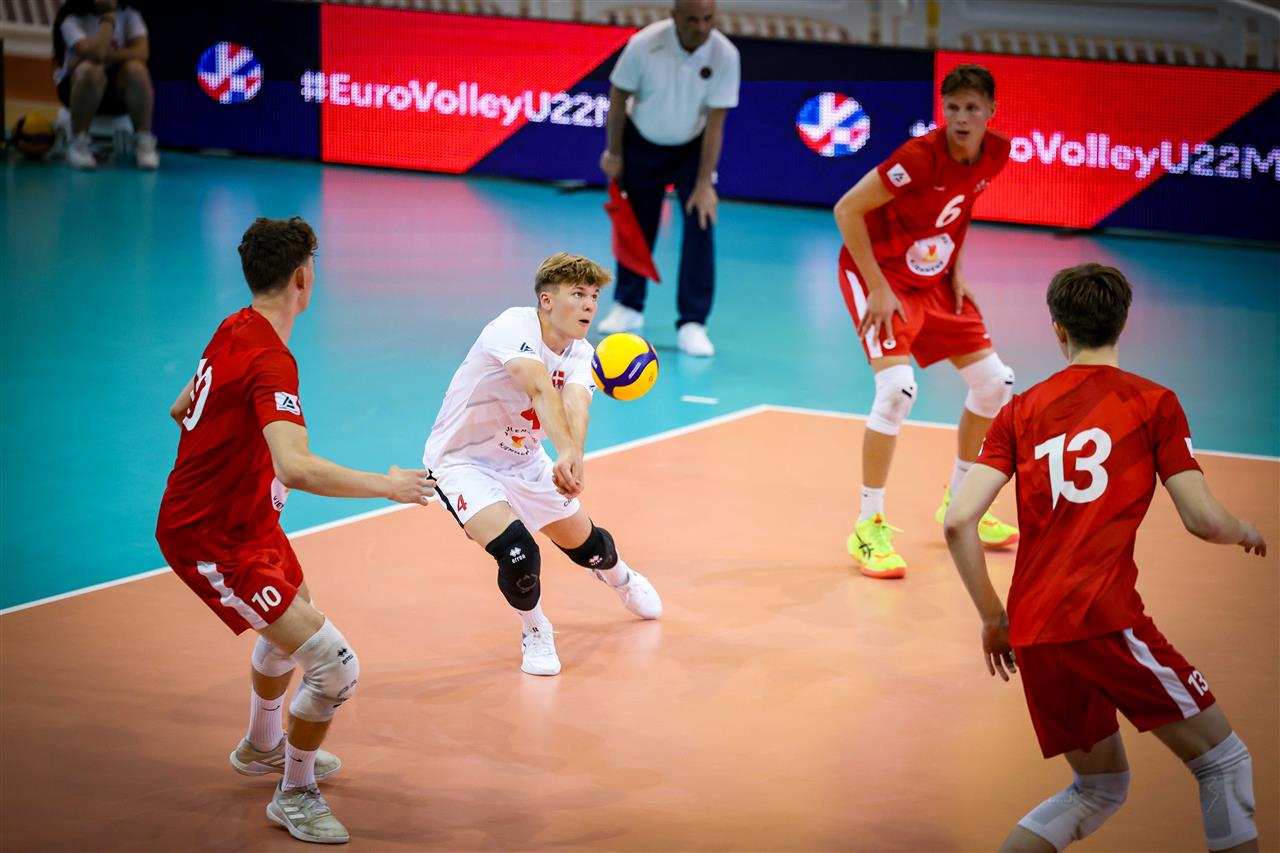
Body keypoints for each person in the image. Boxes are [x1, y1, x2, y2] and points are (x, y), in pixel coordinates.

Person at [944, 263, 1266, 852]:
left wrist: (994, 619)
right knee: (1224, 763)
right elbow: (1203, 520)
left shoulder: (1020, 411)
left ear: (1058, 329)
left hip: (1035, 631)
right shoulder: (1153, 403)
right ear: (1123, 323)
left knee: (1097, 787)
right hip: (1103, 619)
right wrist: (1244, 528)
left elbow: (958, 519)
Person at [156, 217, 434, 844]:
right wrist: (388, 485)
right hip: (211, 538)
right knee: (335, 668)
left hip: (247, 519)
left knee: (296, 613)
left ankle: (262, 745)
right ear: (304, 278)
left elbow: (181, 408)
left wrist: (233, 463)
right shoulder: (271, 360)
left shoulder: (235, 326)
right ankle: (295, 794)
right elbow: (297, 466)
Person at [423, 252, 662, 677]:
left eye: (594, 296)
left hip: (525, 462)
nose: (589, 305)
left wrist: (573, 456)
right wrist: (566, 452)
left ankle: (621, 577)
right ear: (547, 300)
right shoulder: (512, 327)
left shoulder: (583, 354)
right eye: (578, 294)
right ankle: (535, 628)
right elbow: (538, 388)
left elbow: (577, 403)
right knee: (518, 553)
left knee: (591, 549)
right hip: (463, 462)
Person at [833, 63, 1018, 579]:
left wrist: (955, 268)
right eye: (952, 107)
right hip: (881, 276)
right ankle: (867, 527)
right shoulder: (917, 158)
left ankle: (961, 503)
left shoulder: (996, 153)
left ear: (990, 111)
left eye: (972, 108)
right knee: (897, 391)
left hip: (933, 277)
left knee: (995, 383)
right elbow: (847, 210)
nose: (961, 118)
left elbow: (962, 205)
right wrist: (877, 287)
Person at [596, 0, 740, 357]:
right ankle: (629, 306)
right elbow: (618, 98)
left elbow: (716, 123)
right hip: (641, 142)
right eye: (692, 20)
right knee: (636, 225)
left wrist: (705, 183)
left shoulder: (725, 55)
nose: (701, 27)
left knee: (701, 222)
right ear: (674, 17)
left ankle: (693, 323)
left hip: (693, 148)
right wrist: (614, 152)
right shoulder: (644, 45)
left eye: (708, 19)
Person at [52, 0, 158, 170]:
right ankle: (79, 143)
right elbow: (98, 54)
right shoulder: (71, 20)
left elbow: (142, 52)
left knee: (137, 70)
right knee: (91, 70)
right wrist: (108, 18)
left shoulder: (130, 15)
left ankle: (143, 140)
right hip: (77, 89)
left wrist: (104, 55)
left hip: (117, 93)